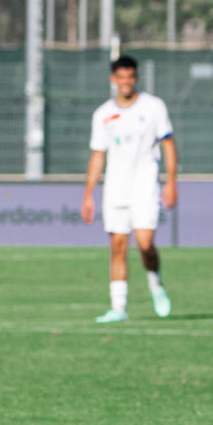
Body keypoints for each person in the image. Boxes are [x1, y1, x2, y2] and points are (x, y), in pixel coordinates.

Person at [79, 55, 177, 322]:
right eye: (121, 77)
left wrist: (171, 181)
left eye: (130, 77)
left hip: (145, 186)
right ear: (114, 79)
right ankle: (118, 308)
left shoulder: (154, 107)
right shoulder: (102, 114)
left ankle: (155, 283)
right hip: (115, 189)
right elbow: (98, 155)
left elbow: (168, 144)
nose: (126, 82)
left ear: (136, 78)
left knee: (145, 244)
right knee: (118, 246)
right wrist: (88, 195)